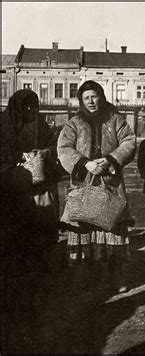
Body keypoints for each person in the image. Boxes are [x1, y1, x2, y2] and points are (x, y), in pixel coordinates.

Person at [57, 80, 136, 294]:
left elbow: (129, 142)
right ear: (81, 101)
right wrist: (85, 163)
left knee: (113, 229)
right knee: (84, 230)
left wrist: (110, 159)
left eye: (94, 96)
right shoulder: (73, 123)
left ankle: (116, 277)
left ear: (101, 96)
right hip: (83, 184)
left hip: (110, 184)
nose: (91, 101)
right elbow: (63, 149)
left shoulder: (116, 119)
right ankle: (86, 278)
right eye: (86, 98)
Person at [0, 89, 60, 313]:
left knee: (41, 231)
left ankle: (38, 283)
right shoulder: (4, 124)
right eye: (25, 106)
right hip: (11, 188)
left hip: (39, 186)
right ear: (16, 106)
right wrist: (17, 160)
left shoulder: (40, 125)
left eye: (33, 106)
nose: (30, 110)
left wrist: (43, 153)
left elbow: (56, 147)